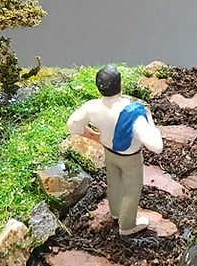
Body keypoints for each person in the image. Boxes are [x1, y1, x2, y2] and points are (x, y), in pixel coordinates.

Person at [67, 65, 163, 236]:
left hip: (109, 153)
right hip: (131, 158)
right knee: (131, 191)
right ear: (121, 85)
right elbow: (157, 146)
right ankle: (127, 226)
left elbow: (73, 125)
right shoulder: (135, 113)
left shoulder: (92, 107)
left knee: (114, 183)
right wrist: (149, 119)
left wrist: (94, 136)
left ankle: (116, 213)